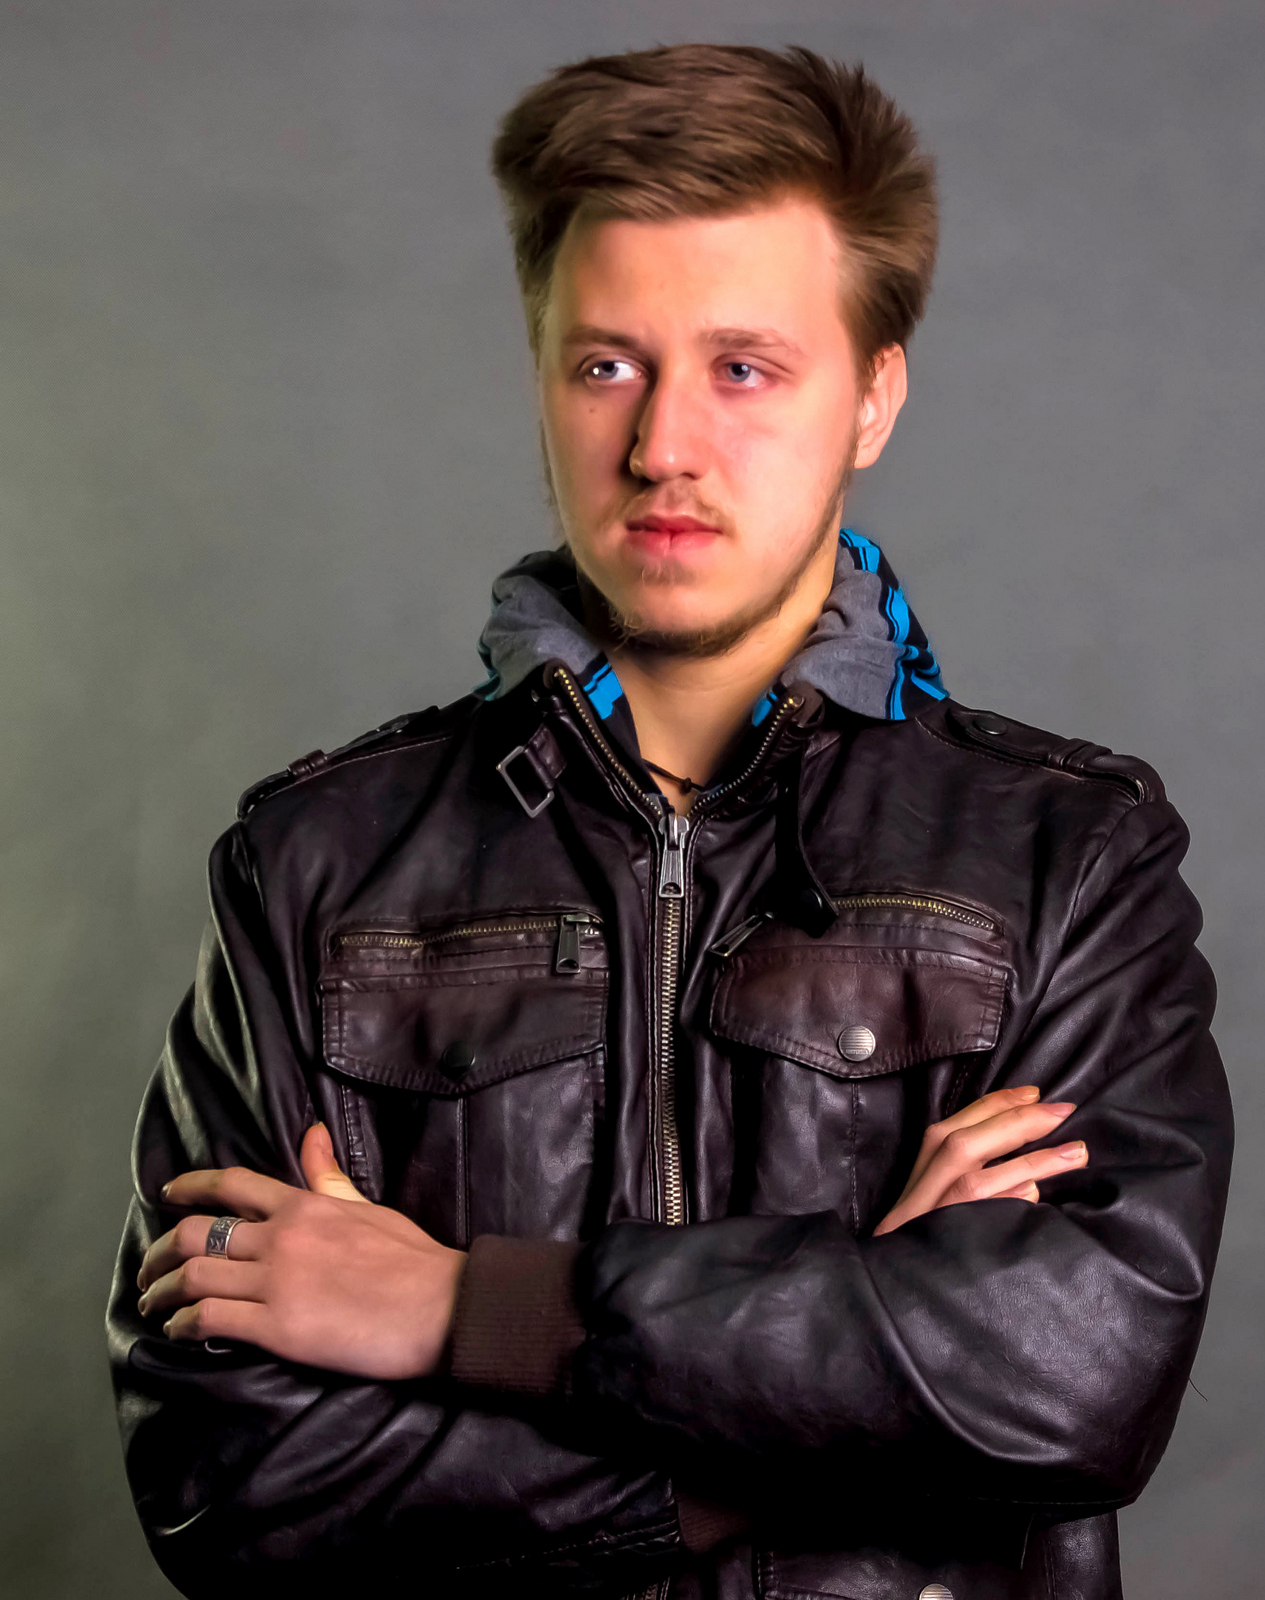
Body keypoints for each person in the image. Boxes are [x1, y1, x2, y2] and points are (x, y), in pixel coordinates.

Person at [108, 44, 1232, 1600]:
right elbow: (229, 1490)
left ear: (872, 396)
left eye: (743, 368)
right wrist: (852, 1354)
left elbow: (1066, 1389)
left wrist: (467, 1312)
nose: (661, 449)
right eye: (605, 366)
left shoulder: (1068, 858)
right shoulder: (314, 867)